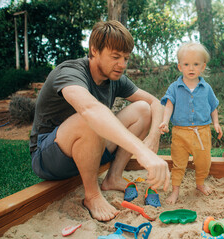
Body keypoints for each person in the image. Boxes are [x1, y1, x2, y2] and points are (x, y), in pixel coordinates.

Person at [29, 20, 170, 222]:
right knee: (90, 118)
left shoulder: (115, 77)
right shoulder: (70, 72)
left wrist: (153, 138)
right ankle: (92, 195)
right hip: (48, 157)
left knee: (143, 109)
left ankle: (113, 177)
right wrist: (142, 151)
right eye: (115, 57)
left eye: (126, 58)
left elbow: (155, 103)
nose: (122, 65)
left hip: (91, 150)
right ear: (94, 51)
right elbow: (90, 110)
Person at [159, 42, 222, 204]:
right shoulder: (175, 87)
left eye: (196, 64)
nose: (191, 68)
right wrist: (165, 122)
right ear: (180, 67)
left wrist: (216, 123)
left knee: (203, 161)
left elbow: (213, 107)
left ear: (203, 66)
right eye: (187, 64)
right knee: (178, 163)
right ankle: (175, 191)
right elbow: (168, 105)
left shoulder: (206, 88)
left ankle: (200, 183)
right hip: (180, 133)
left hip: (202, 132)